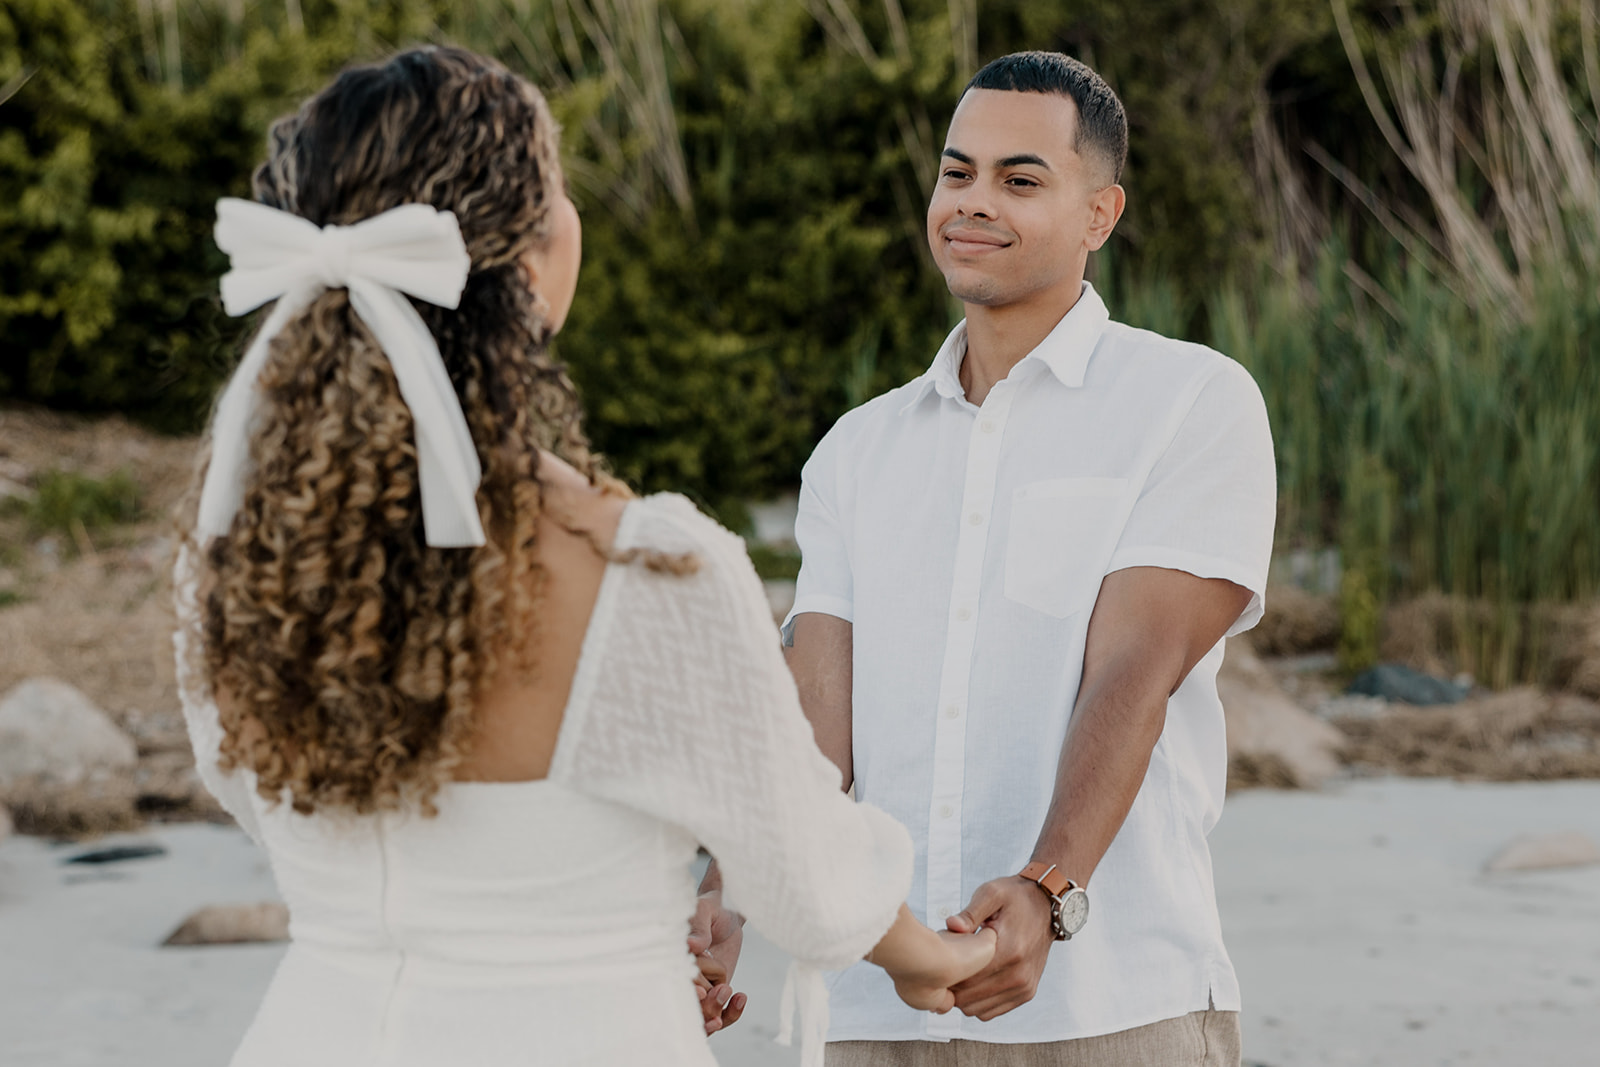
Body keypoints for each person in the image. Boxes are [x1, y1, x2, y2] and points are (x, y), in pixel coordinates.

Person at [172, 45, 994, 1067]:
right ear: (526, 258)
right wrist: (940, 956)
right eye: (558, 186)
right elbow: (807, 877)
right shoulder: (645, 570)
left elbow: (250, 789)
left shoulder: (236, 558)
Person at [704, 50, 1277, 1066]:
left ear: (1099, 215)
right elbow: (815, 725)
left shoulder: (1191, 401)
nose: (971, 203)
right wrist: (732, 890)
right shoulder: (856, 448)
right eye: (955, 172)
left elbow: (1131, 673)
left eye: (1019, 179)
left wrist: (1047, 891)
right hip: (875, 1009)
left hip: (1110, 1000)